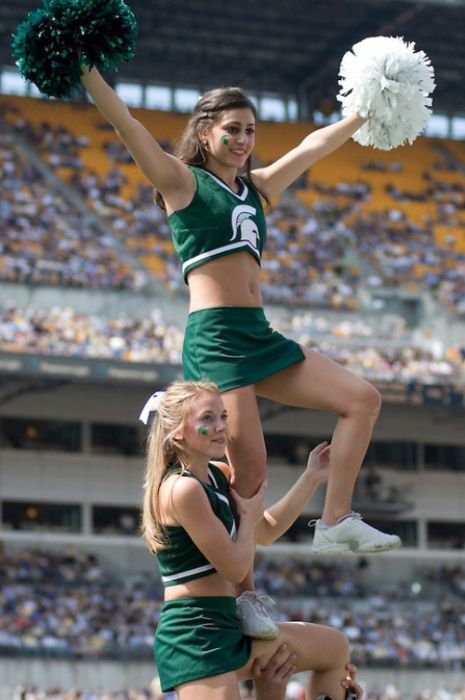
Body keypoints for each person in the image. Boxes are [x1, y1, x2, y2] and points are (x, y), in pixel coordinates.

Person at [80, 64, 400, 637]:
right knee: (248, 469)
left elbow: (312, 145)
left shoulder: (258, 188)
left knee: (362, 398)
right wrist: (86, 68)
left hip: (259, 335)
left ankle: (336, 518)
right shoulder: (182, 183)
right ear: (204, 132)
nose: (244, 139)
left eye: (250, 130)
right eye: (232, 128)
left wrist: (365, 112)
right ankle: (244, 593)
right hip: (217, 340)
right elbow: (125, 123)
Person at [140, 379, 364, 700]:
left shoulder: (218, 475)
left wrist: (312, 476)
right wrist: (246, 517)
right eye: (207, 419)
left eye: (223, 417)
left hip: (231, 621)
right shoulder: (181, 489)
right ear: (177, 433)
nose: (220, 427)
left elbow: (266, 530)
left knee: (334, 649)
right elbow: (234, 567)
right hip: (197, 636)